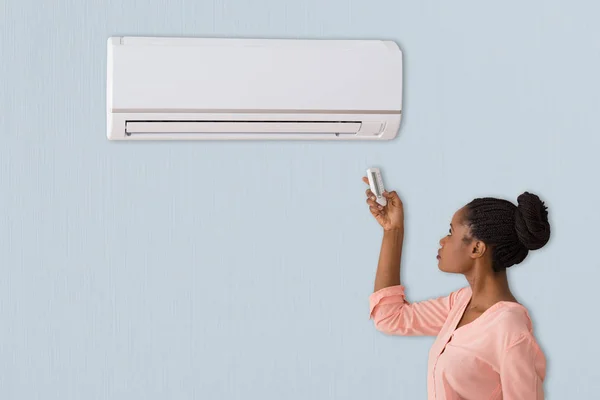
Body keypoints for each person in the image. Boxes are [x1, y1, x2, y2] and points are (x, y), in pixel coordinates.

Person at [363, 176, 550, 400]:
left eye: (451, 232)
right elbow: (390, 317)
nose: (443, 240)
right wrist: (393, 231)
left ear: (477, 248)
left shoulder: (510, 331)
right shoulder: (462, 303)